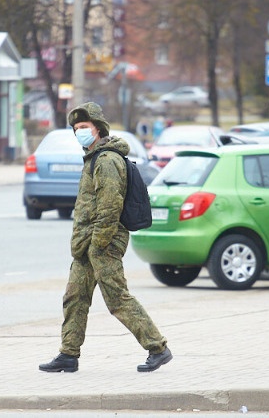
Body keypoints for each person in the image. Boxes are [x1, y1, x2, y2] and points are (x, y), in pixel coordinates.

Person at [39, 102, 171, 374]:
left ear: (98, 129)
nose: (79, 133)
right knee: (75, 296)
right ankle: (68, 354)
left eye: (84, 127)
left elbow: (110, 207)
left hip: (103, 243)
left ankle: (158, 347)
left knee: (117, 299)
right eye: (76, 129)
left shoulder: (107, 161)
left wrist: (99, 243)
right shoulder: (92, 158)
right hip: (86, 244)